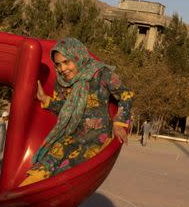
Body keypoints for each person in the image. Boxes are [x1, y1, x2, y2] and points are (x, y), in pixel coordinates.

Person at [21, 38, 133, 185]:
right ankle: (22, 196)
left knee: (67, 173)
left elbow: (126, 94)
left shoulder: (101, 74)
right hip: (71, 134)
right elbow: (65, 109)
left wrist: (120, 122)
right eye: (58, 64)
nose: (62, 69)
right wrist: (45, 99)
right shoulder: (63, 82)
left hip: (95, 136)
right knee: (46, 164)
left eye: (66, 62)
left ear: (77, 56)